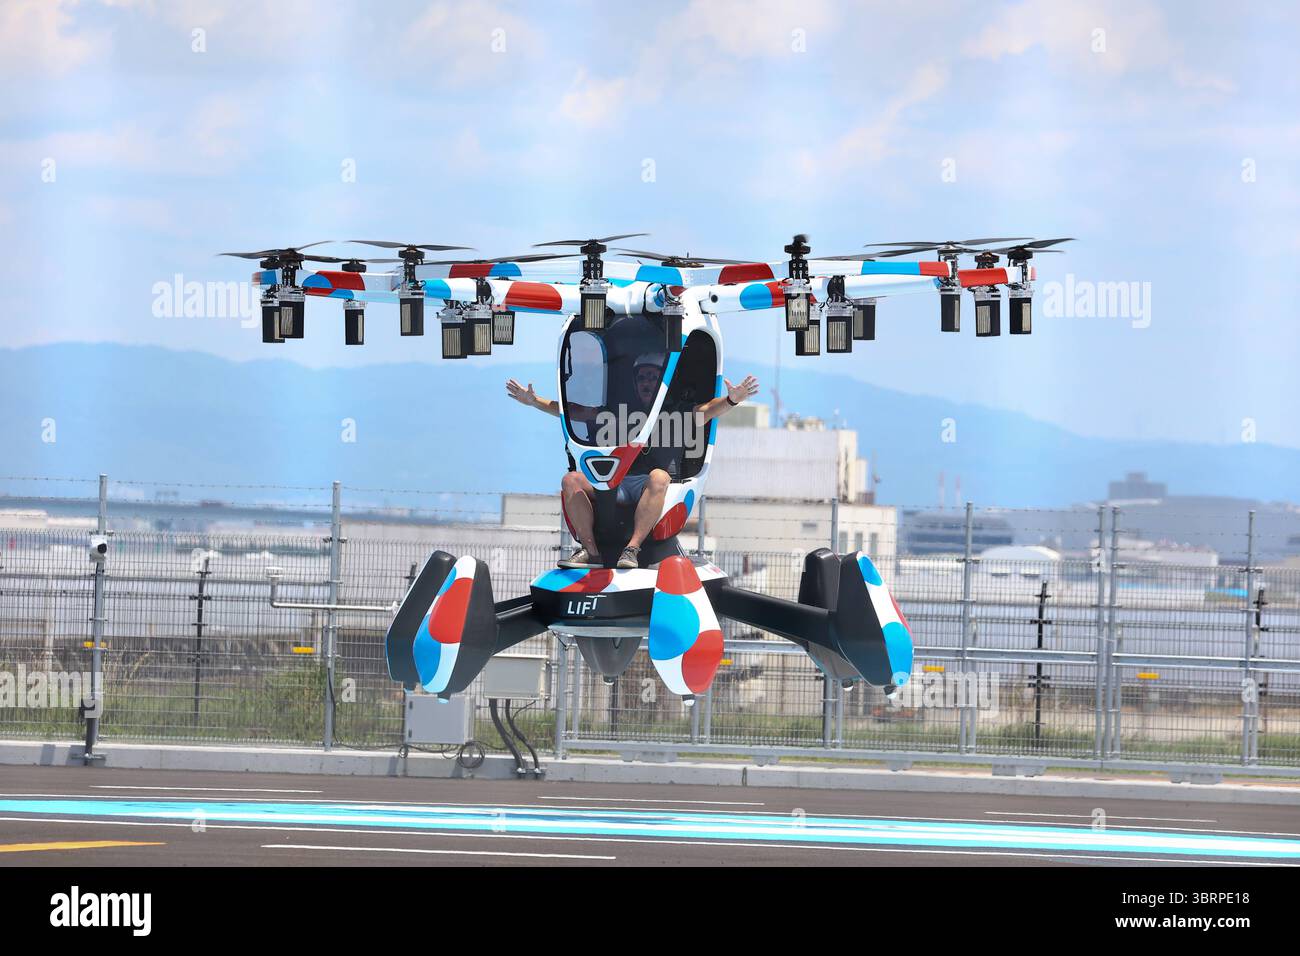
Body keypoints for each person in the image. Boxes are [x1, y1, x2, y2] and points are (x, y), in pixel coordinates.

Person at [507, 359, 758, 569]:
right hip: (614, 479)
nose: (647, 382)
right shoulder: (617, 410)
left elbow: (706, 410)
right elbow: (573, 412)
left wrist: (732, 400)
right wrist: (534, 401)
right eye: (642, 378)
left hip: (647, 485)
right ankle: (591, 552)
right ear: (635, 384)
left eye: (652, 378)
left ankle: (632, 550)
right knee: (571, 480)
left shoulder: (674, 411)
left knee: (660, 476)